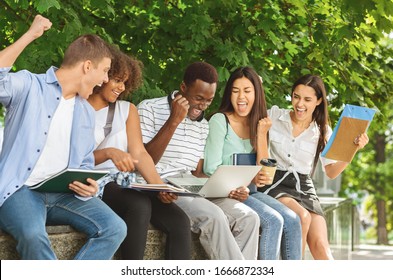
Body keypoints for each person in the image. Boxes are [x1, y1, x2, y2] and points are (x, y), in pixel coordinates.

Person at [0, 15, 127, 260]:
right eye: (104, 71)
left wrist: (91, 187)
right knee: (33, 235)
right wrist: (30, 35)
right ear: (87, 66)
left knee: (115, 228)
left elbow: (84, 164)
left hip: (64, 193)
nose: (104, 80)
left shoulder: (86, 112)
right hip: (21, 190)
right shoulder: (30, 86)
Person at [137, 62, 260, 260]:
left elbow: (198, 172)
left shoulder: (203, 125)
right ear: (183, 88)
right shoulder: (149, 109)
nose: (202, 106)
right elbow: (143, 160)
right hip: (159, 184)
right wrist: (174, 121)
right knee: (214, 217)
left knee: (249, 217)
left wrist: (230, 187)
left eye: (209, 101)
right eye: (198, 98)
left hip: (188, 185)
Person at [88, 46, 191, 260]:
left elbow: (140, 154)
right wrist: (110, 153)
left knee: (179, 220)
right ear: (103, 76)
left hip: (125, 182)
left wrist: (159, 188)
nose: (121, 87)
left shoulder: (127, 110)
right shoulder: (77, 106)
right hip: (95, 183)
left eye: (124, 82)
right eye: (117, 79)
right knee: (138, 205)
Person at [259, 74, 369, 259]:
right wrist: (256, 83)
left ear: (318, 101)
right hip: (275, 182)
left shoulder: (323, 131)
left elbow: (331, 172)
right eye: (296, 96)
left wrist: (353, 150)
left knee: (322, 248)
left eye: (307, 99)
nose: (300, 104)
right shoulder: (275, 116)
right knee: (302, 217)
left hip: (304, 186)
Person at [203, 66, 302, 260]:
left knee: (292, 219)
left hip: (251, 192)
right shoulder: (220, 120)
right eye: (235, 90)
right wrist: (239, 184)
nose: (241, 97)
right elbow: (210, 167)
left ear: (256, 94)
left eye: (247, 91)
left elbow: (264, 176)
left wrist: (262, 134)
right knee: (273, 221)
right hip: (226, 193)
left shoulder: (258, 124)